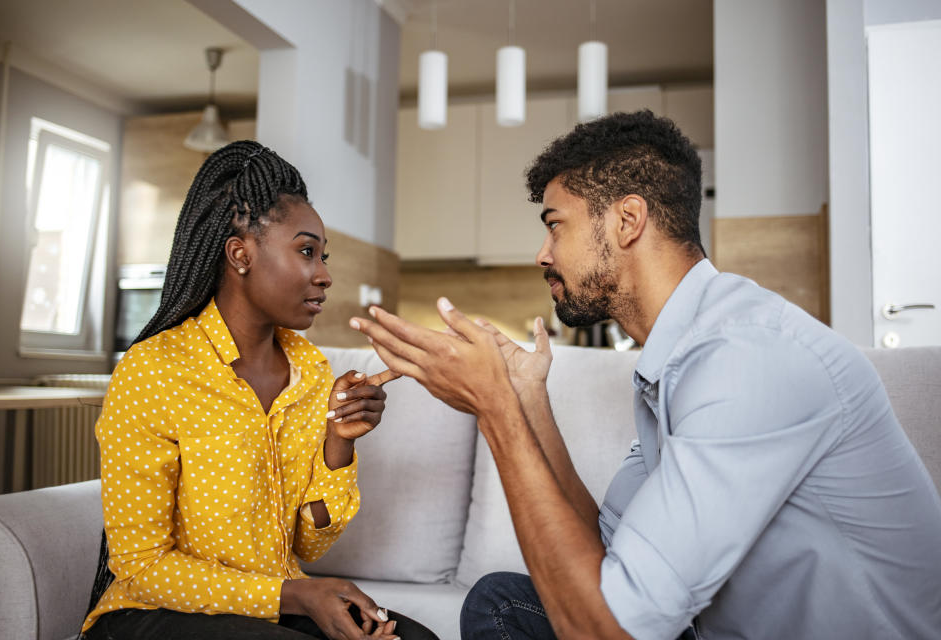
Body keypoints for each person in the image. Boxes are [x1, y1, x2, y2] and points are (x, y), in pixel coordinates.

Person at [349, 111, 941, 639]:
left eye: (556, 225)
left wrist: (496, 408)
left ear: (628, 220)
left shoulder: (746, 359)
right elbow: (606, 552)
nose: (543, 253)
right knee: (503, 602)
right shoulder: (677, 358)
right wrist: (527, 399)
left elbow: (611, 628)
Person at [81, 141, 438, 640]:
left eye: (323, 256)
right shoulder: (155, 371)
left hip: (265, 608)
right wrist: (296, 596)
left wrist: (340, 441)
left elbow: (309, 548)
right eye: (306, 251)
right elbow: (142, 568)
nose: (325, 275)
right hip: (151, 615)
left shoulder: (309, 372)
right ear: (240, 254)